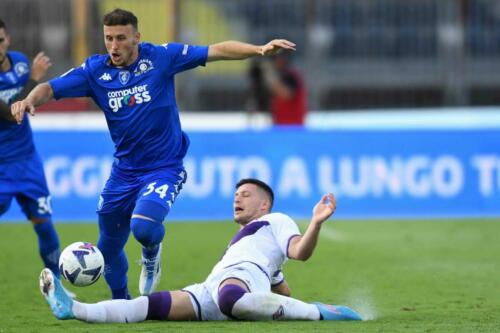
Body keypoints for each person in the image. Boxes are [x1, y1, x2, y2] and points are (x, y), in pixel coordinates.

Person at [11, 8, 297, 299]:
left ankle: (151, 253)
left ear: (137, 36)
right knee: (108, 249)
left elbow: (216, 50)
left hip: (164, 167)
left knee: (144, 227)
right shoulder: (95, 72)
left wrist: (259, 50)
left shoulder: (161, 57)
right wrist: (29, 100)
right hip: (124, 171)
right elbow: (49, 87)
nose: (113, 45)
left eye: (121, 38)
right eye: (108, 38)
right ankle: (121, 303)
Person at [40, 178, 363, 322]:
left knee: (231, 297)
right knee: (145, 307)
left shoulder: (277, 220)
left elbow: (299, 252)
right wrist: (285, 297)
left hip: (239, 281)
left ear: (264, 204)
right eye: (236, 193)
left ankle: (319, 311)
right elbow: (281, 288)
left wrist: (316, 223)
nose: (238, 198)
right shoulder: (247, 243)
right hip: (212, 287)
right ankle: (75, 309)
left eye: (246, 194)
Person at [0, 19, 62, 277]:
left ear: (8, 40)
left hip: (27, 162)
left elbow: (27, 103)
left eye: (0, 40)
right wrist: (35, 79)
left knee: (44, 225)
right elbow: (8, 113)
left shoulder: (21, 62)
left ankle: (58, 287)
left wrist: (32, 86)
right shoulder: (30, 72)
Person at [249, 53, 308, 126]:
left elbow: (287, 94)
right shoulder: (280, 75)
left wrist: (270, 76)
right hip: (279, 124)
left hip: (293, 125)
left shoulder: (291, 76)